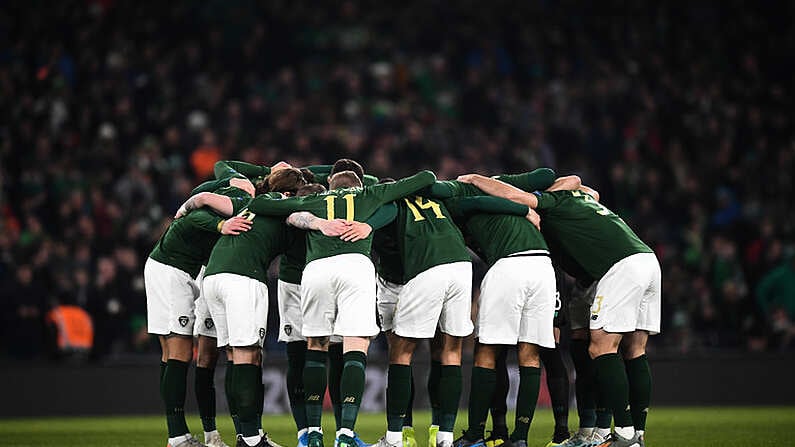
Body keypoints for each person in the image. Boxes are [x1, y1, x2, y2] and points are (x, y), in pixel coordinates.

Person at [457, 174, 660, 447]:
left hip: (619, 267)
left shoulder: (551, 202)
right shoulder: (582, 198)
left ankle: (624, 434)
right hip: (643, 260)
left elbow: (516, 196)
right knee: (632, 349)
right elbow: (582, 184)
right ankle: (619, 431)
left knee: (601, 347)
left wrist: (476, 179)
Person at [246, 169, 437, 447]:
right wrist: (369, 222)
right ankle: (345, 434)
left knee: (315, 345)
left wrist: (314, 222)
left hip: (315, 271)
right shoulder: (368, 194)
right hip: (355, 267)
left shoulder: (314, 200)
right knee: (354, 347)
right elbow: (426, 178)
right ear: (358, 185)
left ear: (329, 185)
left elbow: (259, 204)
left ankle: (312, 433)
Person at [192, 179, 350, 447]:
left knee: (235, 354)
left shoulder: (253, 205)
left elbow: (206, 193)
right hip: (242, 278)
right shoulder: (283, 208)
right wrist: (322, 223)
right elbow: (301, 214)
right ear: (289, 195)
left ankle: (245, 433)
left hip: (213, 276)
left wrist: (189, 205)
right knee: (246, 354)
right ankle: (252, 439)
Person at [427, 181, 555, 447]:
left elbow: (472, 202)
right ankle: (520, 438)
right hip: (543, 266)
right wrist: (523, 208)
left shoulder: (461, 202)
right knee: (529, 356)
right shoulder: (505, 196)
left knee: (486, 353)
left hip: (509, 265)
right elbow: (544, 175)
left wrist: (474, 181)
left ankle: (475, 434)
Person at [145, 173, 253, 447]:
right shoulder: (226, 205)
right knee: (179, 350)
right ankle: (177, 436)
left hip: (177, 270)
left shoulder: (223, 193)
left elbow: (224, 168)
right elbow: (194, 216)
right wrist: (221, 224)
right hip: (172, 271)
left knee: (171, 354)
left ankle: (179, 434)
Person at [370, 183, 474, 447]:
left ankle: (397, 436)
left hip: (422, 272)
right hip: (454, 268)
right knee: (448, 352)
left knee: (401, 353)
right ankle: (442, 436)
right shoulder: (435, 200)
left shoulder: (384, 205)